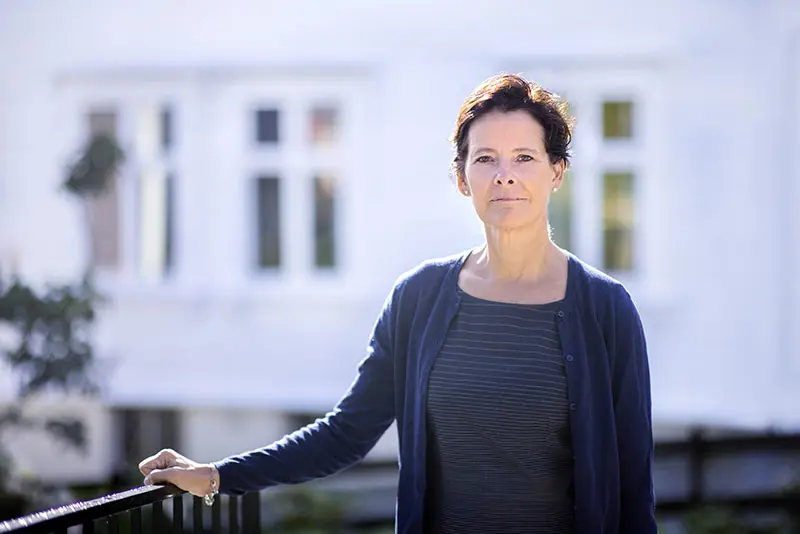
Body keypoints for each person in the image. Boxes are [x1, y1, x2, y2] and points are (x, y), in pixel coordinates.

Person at [139, 73, 657, 534]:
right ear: (461, 178)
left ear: (556, 172)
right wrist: (215, 476)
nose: (505, 175)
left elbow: (633, 483)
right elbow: (345, 433)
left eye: (524, 157)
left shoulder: (605, 309)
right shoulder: (418, 299)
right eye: (485, 159)